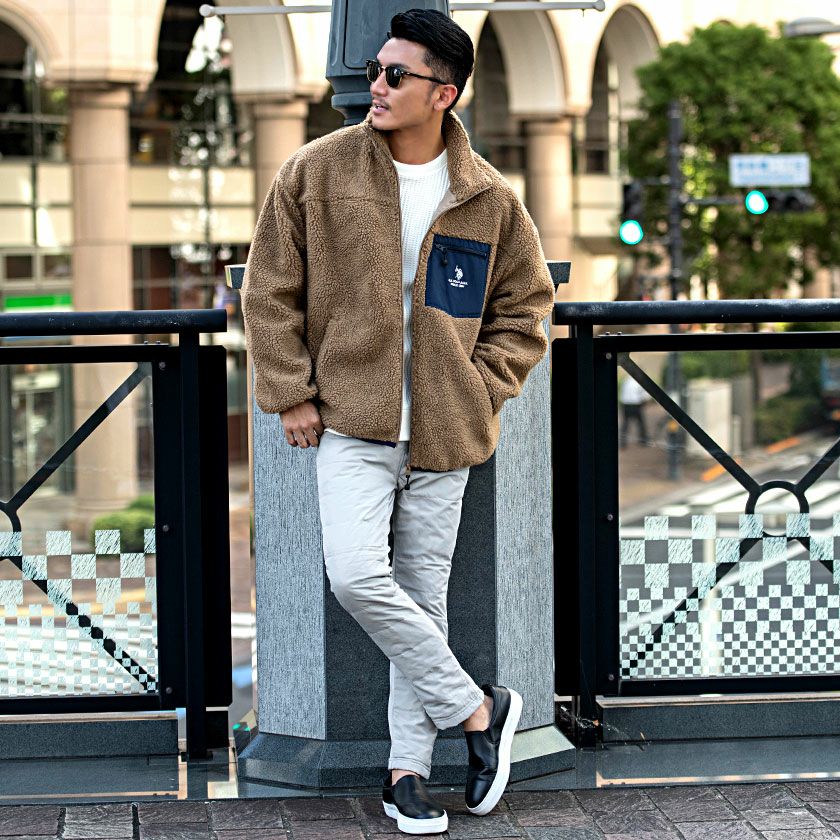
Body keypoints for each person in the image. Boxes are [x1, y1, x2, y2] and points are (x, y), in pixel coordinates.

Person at [242, 8, 555, 835]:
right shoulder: (316, 172)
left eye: (393, 75)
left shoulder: (488, 198)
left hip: (448, 433)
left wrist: (480, 389)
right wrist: (292, 392)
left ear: (443, 94)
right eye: (374, 70)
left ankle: (405, 774)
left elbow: (526, 310)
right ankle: (478, 710)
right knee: (356, 576)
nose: (373, 87)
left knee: (422, 601)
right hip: (351, 423)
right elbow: (268, 290)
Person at [620, 375, 649, 447]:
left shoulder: (626, 381)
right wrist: (645, 401)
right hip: (636, 404)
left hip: (626, 404)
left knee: (625, 424)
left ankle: (623, 442)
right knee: (641, 423)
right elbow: (645, 395)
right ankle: (643, 441)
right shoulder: (638, 382)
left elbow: (622, 393)